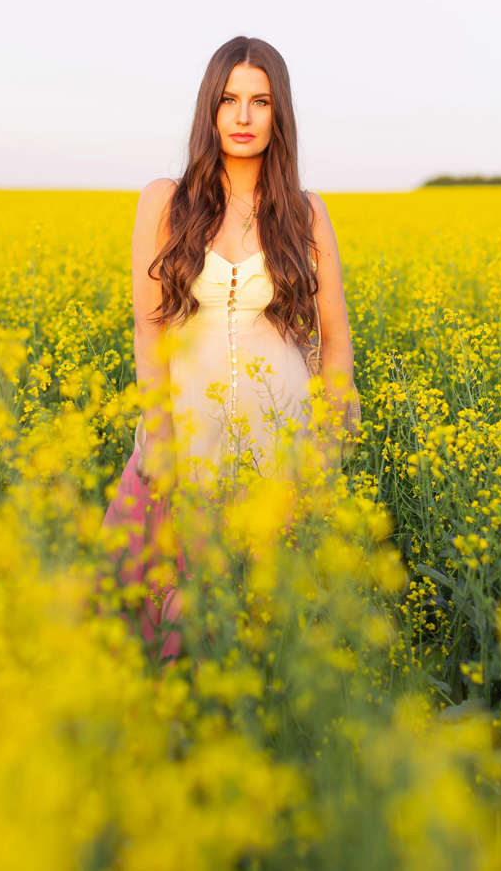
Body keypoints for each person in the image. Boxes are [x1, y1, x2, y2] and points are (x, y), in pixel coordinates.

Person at [102, 35, 354, 659]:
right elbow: (150, 326)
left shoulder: (304, 212)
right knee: (168, 633)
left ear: (279, 113)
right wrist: (157, 430)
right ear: (209, 109)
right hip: (189, 444)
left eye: (260, 101)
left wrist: (327, 440)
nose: (243, 117)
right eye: (230, 99)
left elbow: (336, 335)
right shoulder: (166, 200)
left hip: (281, 444)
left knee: (269, 639)